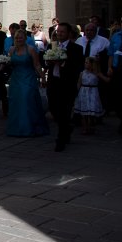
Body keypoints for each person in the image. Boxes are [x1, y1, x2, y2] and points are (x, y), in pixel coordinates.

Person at [46, 23, 84, 151]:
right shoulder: (52, 45)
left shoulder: (76, 48)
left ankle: (60, 140)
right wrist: (48, 61)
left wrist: (62, 63)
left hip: (67, 84)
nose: (60, 34)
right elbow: (44, 61)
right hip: (53, 82)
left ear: (68, 33)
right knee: (53, 109)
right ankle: (67, 127)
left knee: (64, 112)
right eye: (58, 31)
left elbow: (78, 66)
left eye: (62, 32)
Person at [4, 29, 48, 138]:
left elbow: (37, 65)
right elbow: (9, 63)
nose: (19, 39)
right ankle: (17, 128)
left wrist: (43, 77)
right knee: (16, 102)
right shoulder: (11, 49)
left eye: (21, 38)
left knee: (27, 100)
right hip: (16, 79)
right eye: (17, 38)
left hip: (28, 78)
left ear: (25, 39)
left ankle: (29, 127)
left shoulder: (31, 49)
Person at [73, 56, 109, 134]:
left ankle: (91, 126)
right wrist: (77, 92)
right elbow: (79, 83)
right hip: (84, 92)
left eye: (87, 63)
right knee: (84, 112)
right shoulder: (82, 73)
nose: (85, 64)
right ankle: (85, 127)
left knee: (91, 111)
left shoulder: (96, 73)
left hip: (93, 93)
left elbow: (106, 80)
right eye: (85, 62)